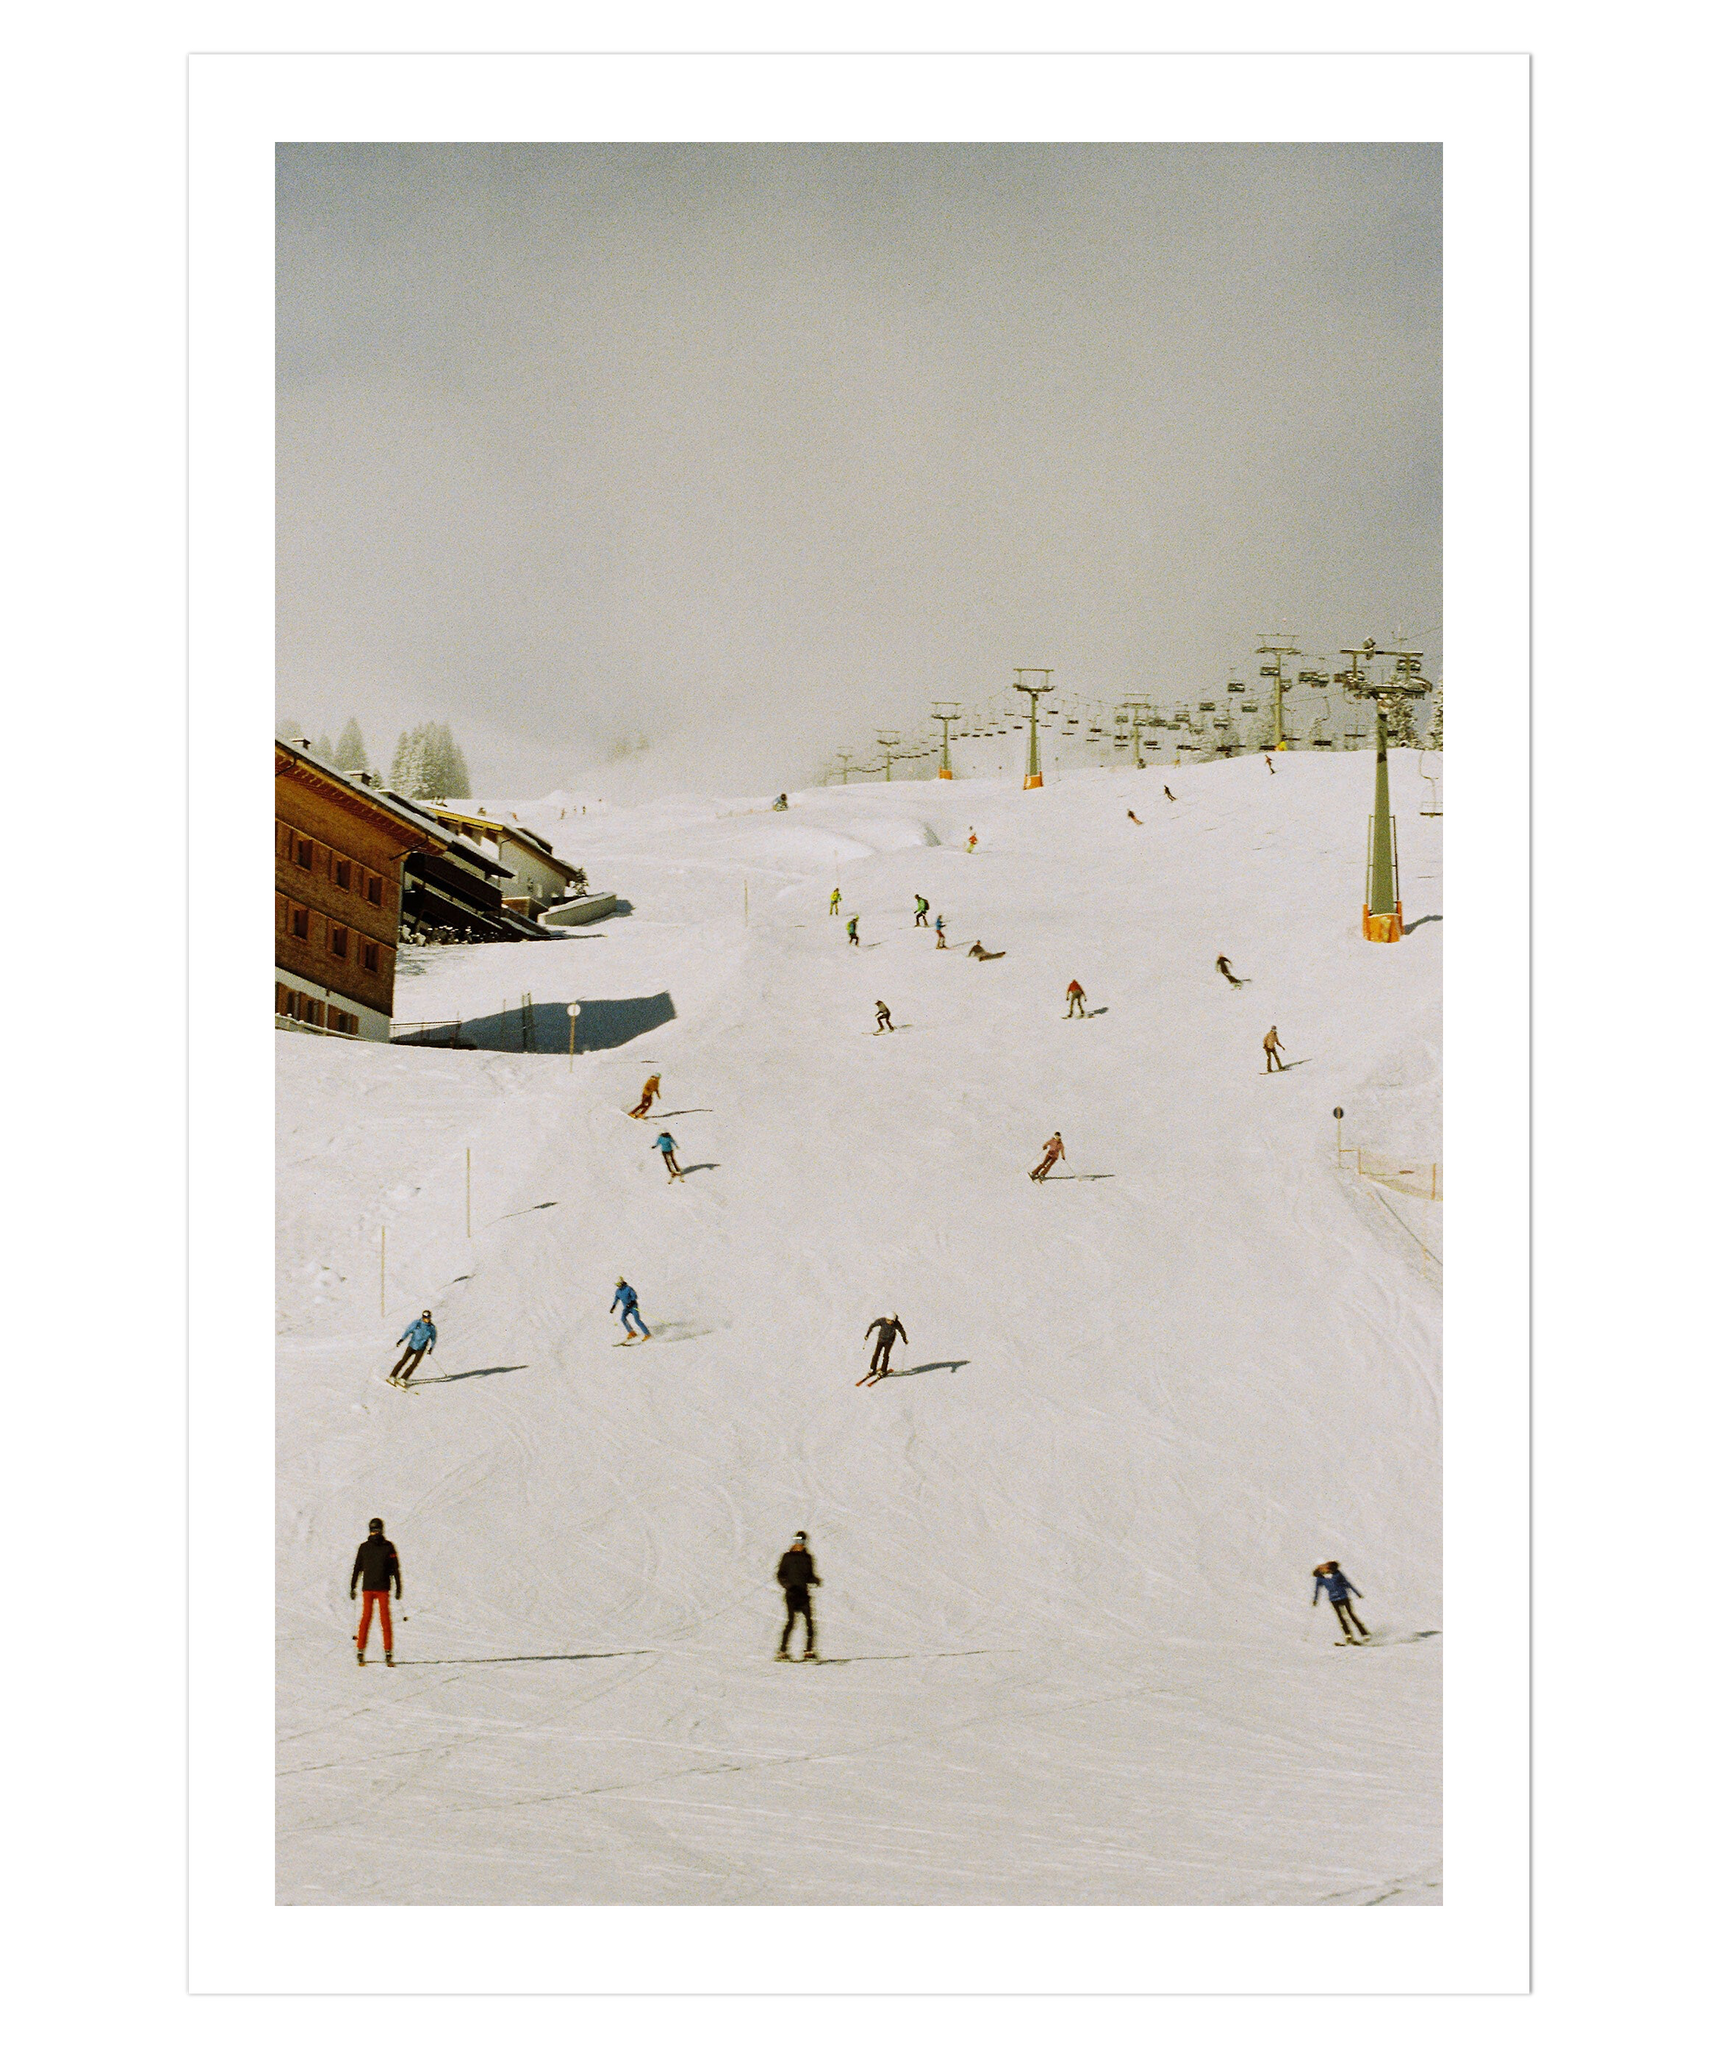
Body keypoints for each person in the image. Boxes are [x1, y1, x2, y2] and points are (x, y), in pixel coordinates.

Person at [350, 1517, 402, 1667]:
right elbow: (394, 1570)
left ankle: (363, 1650)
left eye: (376, 1531)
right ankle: (384, 1651)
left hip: (373, 1588)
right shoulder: (385, 1547)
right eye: (375, 1531)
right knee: (380, 1619)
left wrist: (352, 1586)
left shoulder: (370, 1547)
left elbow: (357, 1569)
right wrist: (398, 1587)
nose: (375, 1533)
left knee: (369, 1618)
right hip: (379, 1588)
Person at [775, 1532, 822, 1661]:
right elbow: (780, 1575)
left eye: (802, 1541)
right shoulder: (787, 1557)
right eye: (797, 1541)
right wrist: (788, 1586)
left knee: (809, 1623)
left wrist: (815, 1580)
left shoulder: (807, 1558)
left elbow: (809, 1575)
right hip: (792, 1595)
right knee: (791, 1622)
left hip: (803, 1595)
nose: (799, 1544)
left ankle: (808, 1651)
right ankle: (782, 1651)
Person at [1312, 1561, 1370, 1641]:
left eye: (1325, 1566)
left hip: (1343, 1597)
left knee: (1351, 1614)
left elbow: (1347, 1583)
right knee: (1341, 1617)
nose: (1323, 1568)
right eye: (1321, 1567)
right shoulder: (1320, 1578)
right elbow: (1317, 1589)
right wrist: (1315, 1599)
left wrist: (1356, 1592)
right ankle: (1348, 1634)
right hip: (1333, 1599)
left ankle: (1364, 1633)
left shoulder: (1337, 1573)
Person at [389, 1311, 437, 1385]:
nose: (427, 1319)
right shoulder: (417, 1323)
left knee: (414, 1364)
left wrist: (431, 1348)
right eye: (426, 1318)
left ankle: (403, 1378)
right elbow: (408, 1331)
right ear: (423, 1317)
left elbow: (433, 1339)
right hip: (412, 1346)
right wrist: (402, 1339)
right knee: (403, 1360)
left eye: (428, 1318)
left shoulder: (431, 1328)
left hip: (421, 1348)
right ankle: (392, 1376)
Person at [864, 1313, 908, 1378]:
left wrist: (904, 1339)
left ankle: (883, 1370)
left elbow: (902, 1331)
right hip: (881, 1340)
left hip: (889, 1341)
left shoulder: (897, 1324)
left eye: (890, 1321)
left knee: (885, 1355)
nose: (889, 1322)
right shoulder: (882, 1321)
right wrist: (867, 1334)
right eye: (887, 1320)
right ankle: (872, 1369)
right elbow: (872, 1325)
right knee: (876, 1354)